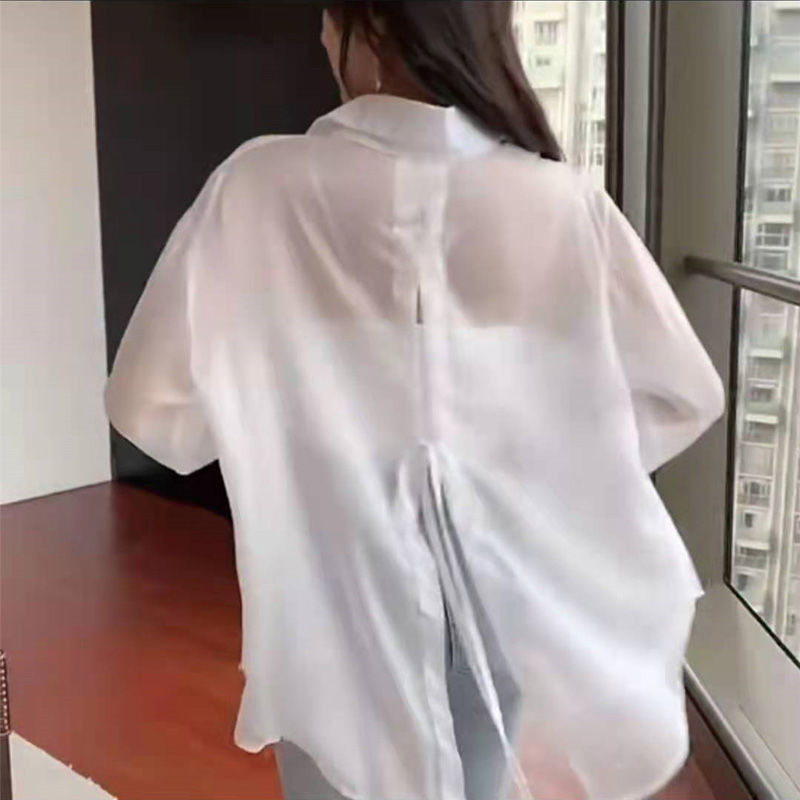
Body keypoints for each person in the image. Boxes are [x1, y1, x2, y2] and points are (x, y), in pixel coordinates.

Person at [103, 2, 726, 799]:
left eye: (329, 16)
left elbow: (148, 406)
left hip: (328, 574)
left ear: (370, 26)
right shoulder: (559, 201)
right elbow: (684, 394)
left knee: (333, 771)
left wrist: (279, 426)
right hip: (500, 570)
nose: (320, 35)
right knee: (481, 770)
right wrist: (541, 463)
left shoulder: (259, 186)